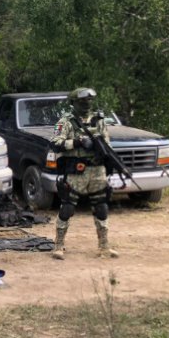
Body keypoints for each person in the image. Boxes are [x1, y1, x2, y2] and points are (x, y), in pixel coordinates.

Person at [49, 88, 118, 260]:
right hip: (76, 170)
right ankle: (59, 245)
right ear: (73, 103)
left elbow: (107, 144)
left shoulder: (99, 120)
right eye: (82, 102)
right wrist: (78, 142)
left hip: (97, 170)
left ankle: (104, 246)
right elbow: (55, 143)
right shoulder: (66, 121)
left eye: (88, 101)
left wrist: (101, 149)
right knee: (68, 208)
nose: (86, 104)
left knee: (101, 207)